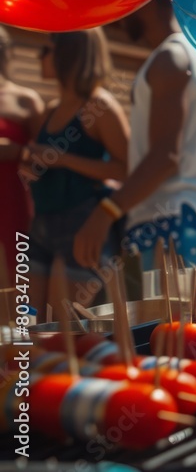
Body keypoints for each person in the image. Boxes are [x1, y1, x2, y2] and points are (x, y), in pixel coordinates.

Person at [73, 0, 196, 273]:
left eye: (125, 2)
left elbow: (165, 157)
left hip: (173, 223)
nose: (119, 15)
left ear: (145, 1)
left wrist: (106, 212)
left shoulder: (170, 59)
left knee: (173, 317)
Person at [19, 29, 129, 318]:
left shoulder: (99, 106)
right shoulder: (51, 109)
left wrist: (64, 159)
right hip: (41, 224)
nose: (38, 56)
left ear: (68, 55)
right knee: (26, 326)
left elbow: (126, 169)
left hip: (82, 226)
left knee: (61, 328)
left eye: (45, 50)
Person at [0, 27, 44, 311]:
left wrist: (19, 152)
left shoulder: (24, 99)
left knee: (19, 286)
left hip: (14, 202)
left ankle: (21, 354)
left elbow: (49, 159)